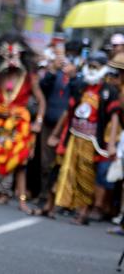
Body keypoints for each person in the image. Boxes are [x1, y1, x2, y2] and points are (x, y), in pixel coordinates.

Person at [0, 35, 46, 215]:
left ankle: (22, 201)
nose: (11, 59)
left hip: (19, 125)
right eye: (7, 55)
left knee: (20, 163)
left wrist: (38, 121)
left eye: (14, 55)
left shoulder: (30, 78)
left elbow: (41, 101)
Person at [51, 52, 121, 224]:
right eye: (89, 66)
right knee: (68, 171)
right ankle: (65, 206)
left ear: (103, 69)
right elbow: (69, 111)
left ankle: (84, 212)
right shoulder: (81, 86)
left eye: (95, 67)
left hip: (92, 142)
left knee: (87, 176)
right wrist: (56, 134)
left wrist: (111, 143)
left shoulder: (108, 90)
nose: (91, 70)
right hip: (74, 137)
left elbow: (114, 117)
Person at [36, 54, 78, 200]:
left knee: (62, 163)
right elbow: (43, 87)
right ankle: (44, 194)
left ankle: (58, 198)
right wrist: (53, 69)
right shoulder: (55, 75)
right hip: (48, 123)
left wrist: (73, 77)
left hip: (67, 128)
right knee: (45, 161)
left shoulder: (77, 80)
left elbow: (76, 95)